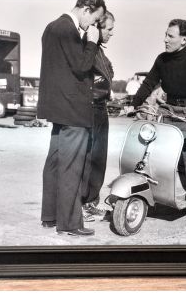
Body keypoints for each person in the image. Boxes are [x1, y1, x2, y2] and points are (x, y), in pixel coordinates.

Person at [126, 19, 186, 230]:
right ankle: (154, 192)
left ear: (183, 40)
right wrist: (134, 104)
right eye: (165, 35)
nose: (165, 39)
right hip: (167, 112)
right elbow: (149, 82)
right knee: (149, 151)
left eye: (170, 36)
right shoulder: (162, 60)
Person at [38, 0, 106, 237]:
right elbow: (81, 66)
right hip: (73, 110)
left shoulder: (51, 27)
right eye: (95, 19)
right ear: (87, 9)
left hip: (57, 109)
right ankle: (69, 224)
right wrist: (91, 41)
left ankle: (50, 216)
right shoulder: (69, 29)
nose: (94, 25)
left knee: (55, 163)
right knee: (72, 168)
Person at [81, 11, 115, 221]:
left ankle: (91, 203)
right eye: (109, 29)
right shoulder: (88, 49)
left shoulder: (101, 53)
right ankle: (83, 204)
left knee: (99, 160)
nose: (112, 33)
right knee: (88, 159)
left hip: (101, 109)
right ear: (98, 27)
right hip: (89, 109)